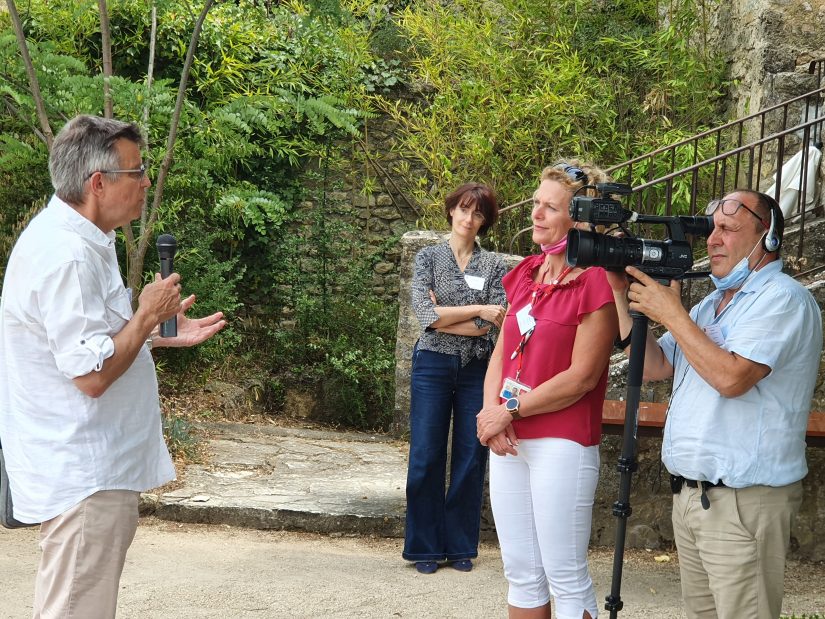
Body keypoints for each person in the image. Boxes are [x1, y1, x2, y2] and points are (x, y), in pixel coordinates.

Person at [0, 115, 226, 618]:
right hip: (84, 469)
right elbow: (91, 376)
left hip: (91, 467)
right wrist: (145, 315)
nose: (146, 181)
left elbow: (91, 341)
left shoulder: (84, 240)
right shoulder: (67, 255)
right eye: (136, 171)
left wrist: (156, 330)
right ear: (98, 183)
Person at [607, 189, 822, 619]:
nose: (713, 239)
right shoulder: (710, 305)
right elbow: (654, 365)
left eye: (728, 228)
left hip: (743, 503)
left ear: (768, 237)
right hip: (693, 497)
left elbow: (731, 378)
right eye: (711, 229)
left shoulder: (783, 298)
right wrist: (619, 289)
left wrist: (672, 314)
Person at [477, 161, 618, 619]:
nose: (536, 214)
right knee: (521, 572)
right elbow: (501, 354)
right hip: (509, 437)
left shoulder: (596, 280)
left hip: (562, 441)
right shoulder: (526, 273)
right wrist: (490, 414)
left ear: (580, 219)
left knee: (566, 577)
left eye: (550, 207)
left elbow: (582, 377)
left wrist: (509, 411)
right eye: (536, 203)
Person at [403, 182, 508, 574]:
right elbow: (424, 314)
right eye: (463, 209)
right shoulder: (428, 257)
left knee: (470, 454)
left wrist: (445, 316)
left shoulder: (495, 265)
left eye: (477, 213)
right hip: (432, 363)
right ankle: (424, 548)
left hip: (476, 368)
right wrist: (477, 310)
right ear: (451, 211)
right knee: (426, 454)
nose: (468, 218)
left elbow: (491, 324)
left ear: (484, 221)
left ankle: (460, 545)